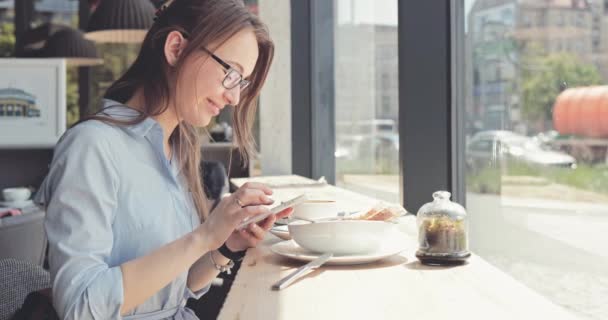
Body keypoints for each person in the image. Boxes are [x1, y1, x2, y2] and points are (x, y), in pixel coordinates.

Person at [33, 0, 289, 319]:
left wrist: (225, 246)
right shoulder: (92, 146)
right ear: (176, 49)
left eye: (243, 82)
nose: (234, 97)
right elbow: (79, 307)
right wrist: (204, 236)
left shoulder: (176, 148)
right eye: (231, 73)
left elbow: (172, 291)